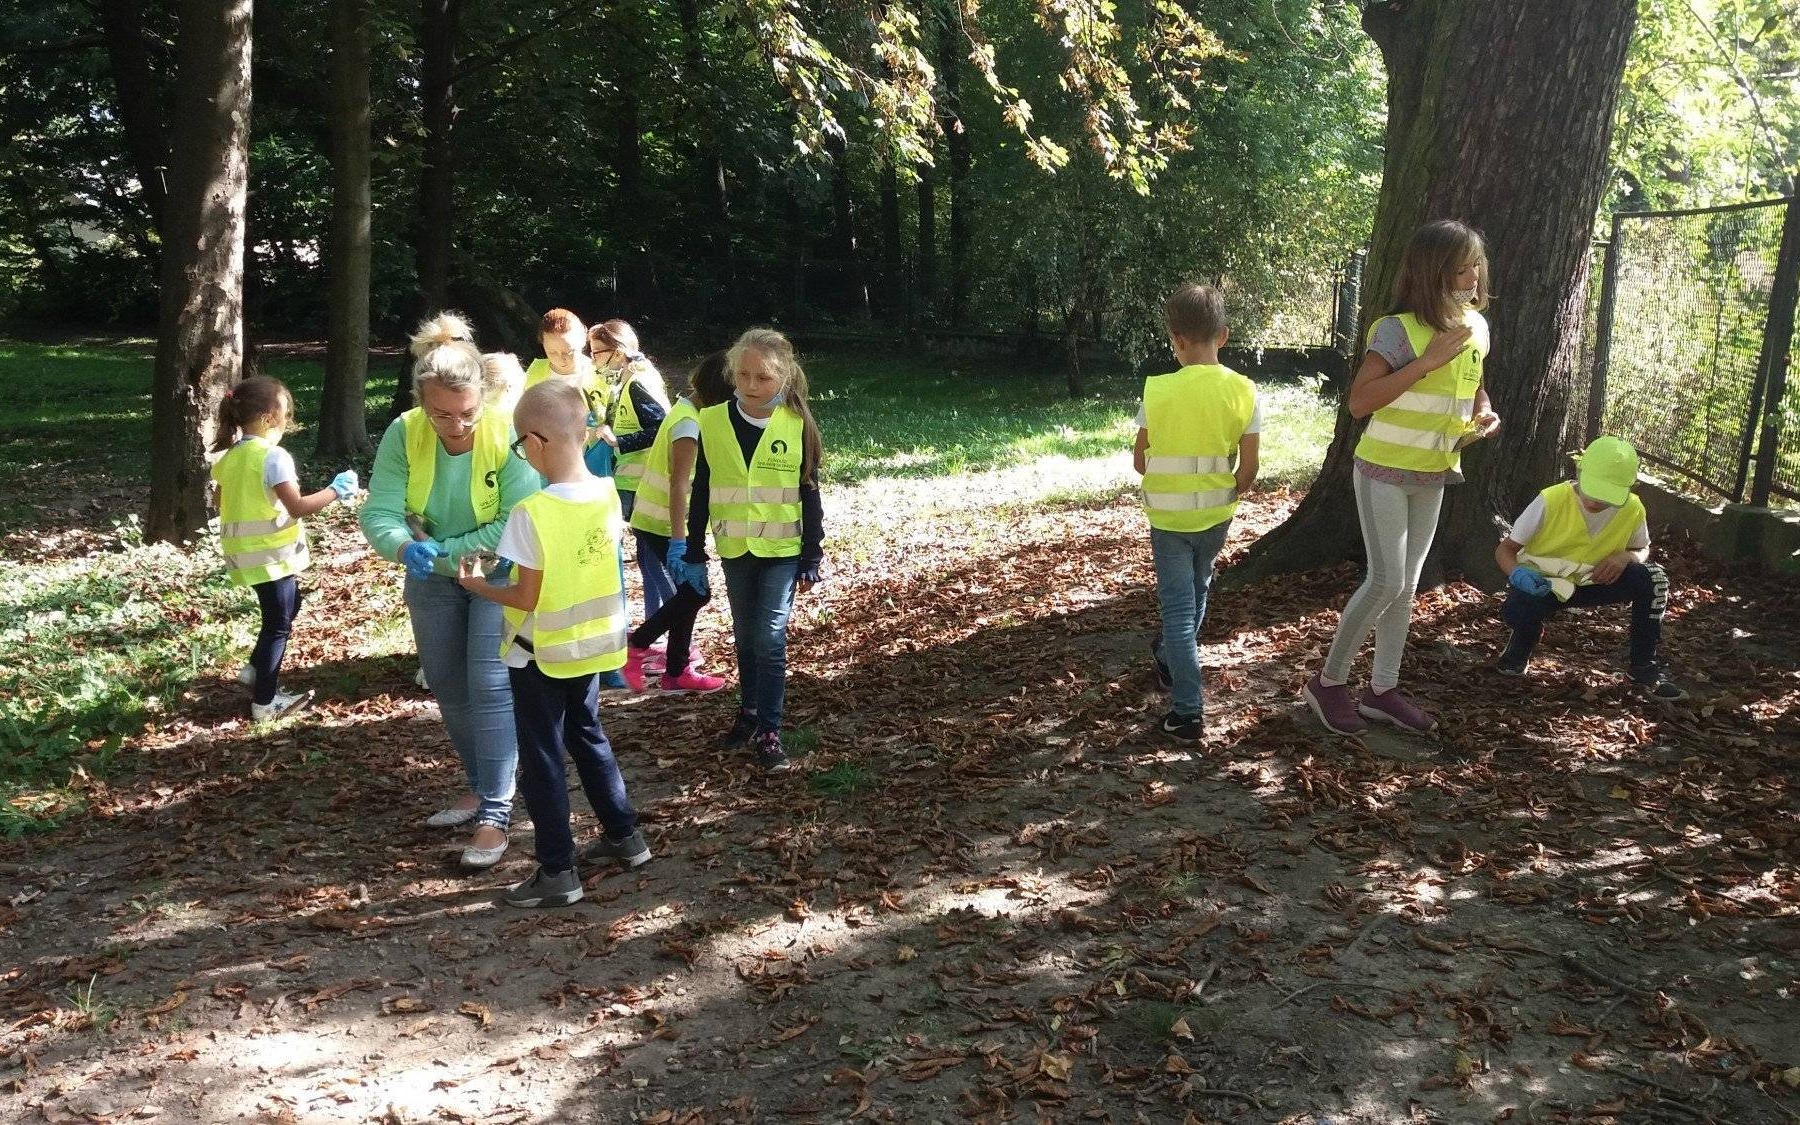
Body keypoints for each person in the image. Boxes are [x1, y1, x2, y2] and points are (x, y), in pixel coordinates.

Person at [1303, 219, 1503, 736]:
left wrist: (1485, 412)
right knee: (1386, 580)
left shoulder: (1476, 326)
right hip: (1384, 471)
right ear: (1433, 274)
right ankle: (1327, 683)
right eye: (1462, 269)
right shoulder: (1397, 329)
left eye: (1476, 265)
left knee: (1408, 585)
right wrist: (1427, 360)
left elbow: (1473, 386)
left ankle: (1382, 690)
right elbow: (1359, 402)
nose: (1474, 276)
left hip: (1435, 472)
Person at [458, 379, 652, 908]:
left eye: (522, 446)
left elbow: (523, 592)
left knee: (541, 755)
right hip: (590, 647)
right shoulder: (607, 495)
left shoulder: (532, 513)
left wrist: (474, 583)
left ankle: (557, 869)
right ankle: (624, 835)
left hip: (538, 653)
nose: (524, 456)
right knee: (588, 735)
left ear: (538, 442)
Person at [359, 313, 539, 870]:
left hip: (494, 575)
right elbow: (382, 512)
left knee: (489, 684)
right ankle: (483, 782)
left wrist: (438, 549)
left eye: (465, 413)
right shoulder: (403, 432)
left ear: (482, 398)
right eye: (441, 415)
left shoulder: (507, 432)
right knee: (446, 680)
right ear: (421, 401)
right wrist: (400, 546)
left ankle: (496, 814)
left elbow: (515, 517)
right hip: (432, 579)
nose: (455, 426)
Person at [681, 328, 826, 772]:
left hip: (782, 549)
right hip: (736, 548)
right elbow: (702, 487)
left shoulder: (796, 424)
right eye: (742, 376)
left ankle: (770, 729)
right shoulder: (712, 421)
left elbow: (809, 492)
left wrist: (812, 552)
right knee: (745, 638)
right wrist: (693, 548)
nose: (750, 386)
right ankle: (748, 712)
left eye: (762, 378)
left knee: (769, 638)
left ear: (783, 377)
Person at [1132, 284, 1259, 744]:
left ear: (1176, 339)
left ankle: (1187, 712)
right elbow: (1249, 469)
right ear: (1222, 335)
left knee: (1178, 612)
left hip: (1168, 520)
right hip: (1215, 517)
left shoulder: (1159, 390)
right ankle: (1167, 657)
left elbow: (1140, 460)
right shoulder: (1244, 390)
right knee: (1199, 585)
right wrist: (1225, 493)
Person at [211, 376, 358, 722]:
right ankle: (265, 702)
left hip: (244, 556)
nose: (286, 422)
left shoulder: (231, 456)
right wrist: (337, 490)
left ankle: (254, 670)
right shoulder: (273, 457)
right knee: (278, 625)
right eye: (285, 414)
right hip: (271, 557)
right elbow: (298, 507)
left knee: (291, 605)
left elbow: (221, 499)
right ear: (267, 417)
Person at [1494, 435, 1684, 700]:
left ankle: (1644, 665)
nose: (1595, 502)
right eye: (1592, 490)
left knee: (1654, 578)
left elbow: (1642, 549)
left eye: (1606, 495)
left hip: (1595, 582)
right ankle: (1523, 639)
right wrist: (1517, 574)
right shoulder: (1551, 499)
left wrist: (1626, 558)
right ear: (1580, 472)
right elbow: (1505, 549)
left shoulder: (1632, 508)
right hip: (1542, 585)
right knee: (1517, 610)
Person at [621, 352, 732, 693]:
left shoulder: (685, 411)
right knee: (695, 593)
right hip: (662, 523)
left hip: (660, 520)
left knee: (691, 593)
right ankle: (637, 646)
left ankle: (676, 672)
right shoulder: (688, 423)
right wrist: (679, 541)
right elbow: (679, 482)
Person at [590, 319, 675, 626]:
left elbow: (660, 426)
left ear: (618, 351)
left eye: (598, 352)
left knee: (654, 562)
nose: (594, 359)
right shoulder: (629, 379)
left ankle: (676, 630)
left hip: (644, 485)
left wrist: (619, 441)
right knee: (647, 560)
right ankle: (655, 629)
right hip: (635, 482)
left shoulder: (638, 382)